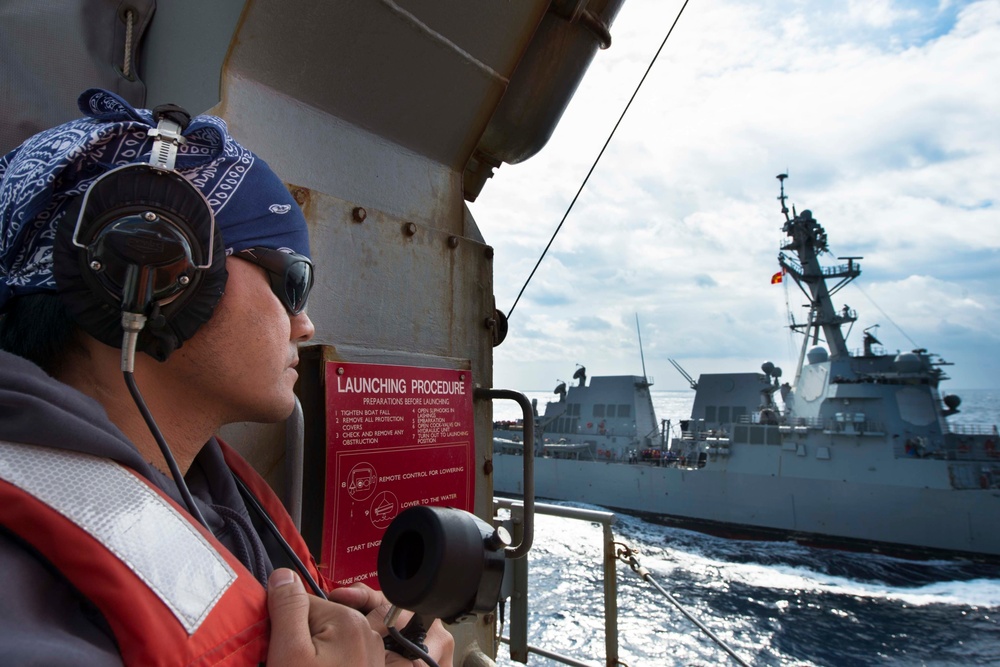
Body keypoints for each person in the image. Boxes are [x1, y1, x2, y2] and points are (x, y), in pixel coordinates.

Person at [0, 89, 454, 666]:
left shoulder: (215, 498)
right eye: (292, 281)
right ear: (152, 271)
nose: (305, 324)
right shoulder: (20, 604)